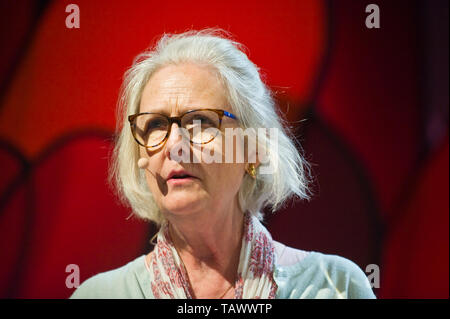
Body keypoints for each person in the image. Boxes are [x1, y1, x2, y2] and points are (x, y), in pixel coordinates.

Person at [70, 29, 376, 299]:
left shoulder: (334, 287)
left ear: (253, 148)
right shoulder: (98, 295)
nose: (174, 145)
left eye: (201, 121)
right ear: (141, 156)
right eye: (155, 126)